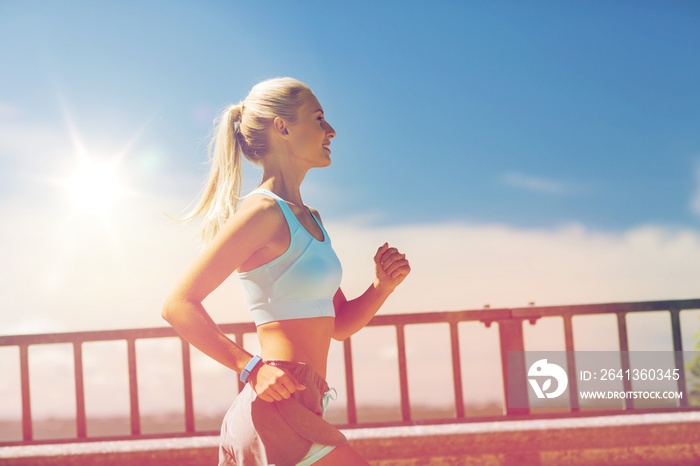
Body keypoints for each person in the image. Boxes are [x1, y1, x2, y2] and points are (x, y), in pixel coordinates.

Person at [162, 77, 411, 465]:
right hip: (275, 407)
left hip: (303, 402)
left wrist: (381, 286)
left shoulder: (310, 219)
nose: (331, 130)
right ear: (283, 127)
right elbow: (178, 305)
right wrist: (250, 368)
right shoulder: (262, 213)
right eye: (319, 118)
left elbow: (339, 324)